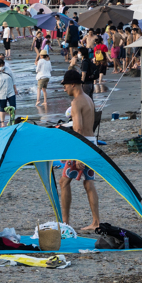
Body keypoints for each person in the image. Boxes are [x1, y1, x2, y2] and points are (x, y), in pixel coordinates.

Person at [58, 69, 101, 231]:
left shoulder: (76, 102)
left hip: (82, 145)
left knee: (63, 182)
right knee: (89, 183)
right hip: (92, 143)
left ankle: (66, 223)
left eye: (65, 85)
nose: (64, 89)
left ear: (73, 84)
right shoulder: (88, 99)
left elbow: (78, 129)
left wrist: (77, 156)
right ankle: (96, 222)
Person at [0, 58, 18, 124]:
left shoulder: (8, 70)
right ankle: (2, 123)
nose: (1, 67)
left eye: (2, 65)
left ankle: (12, 120)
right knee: (2, 108)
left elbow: (13, 79)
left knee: (13, 107)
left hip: (10, 91)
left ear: (4, 64)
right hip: (1, 93)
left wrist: (15, 89)